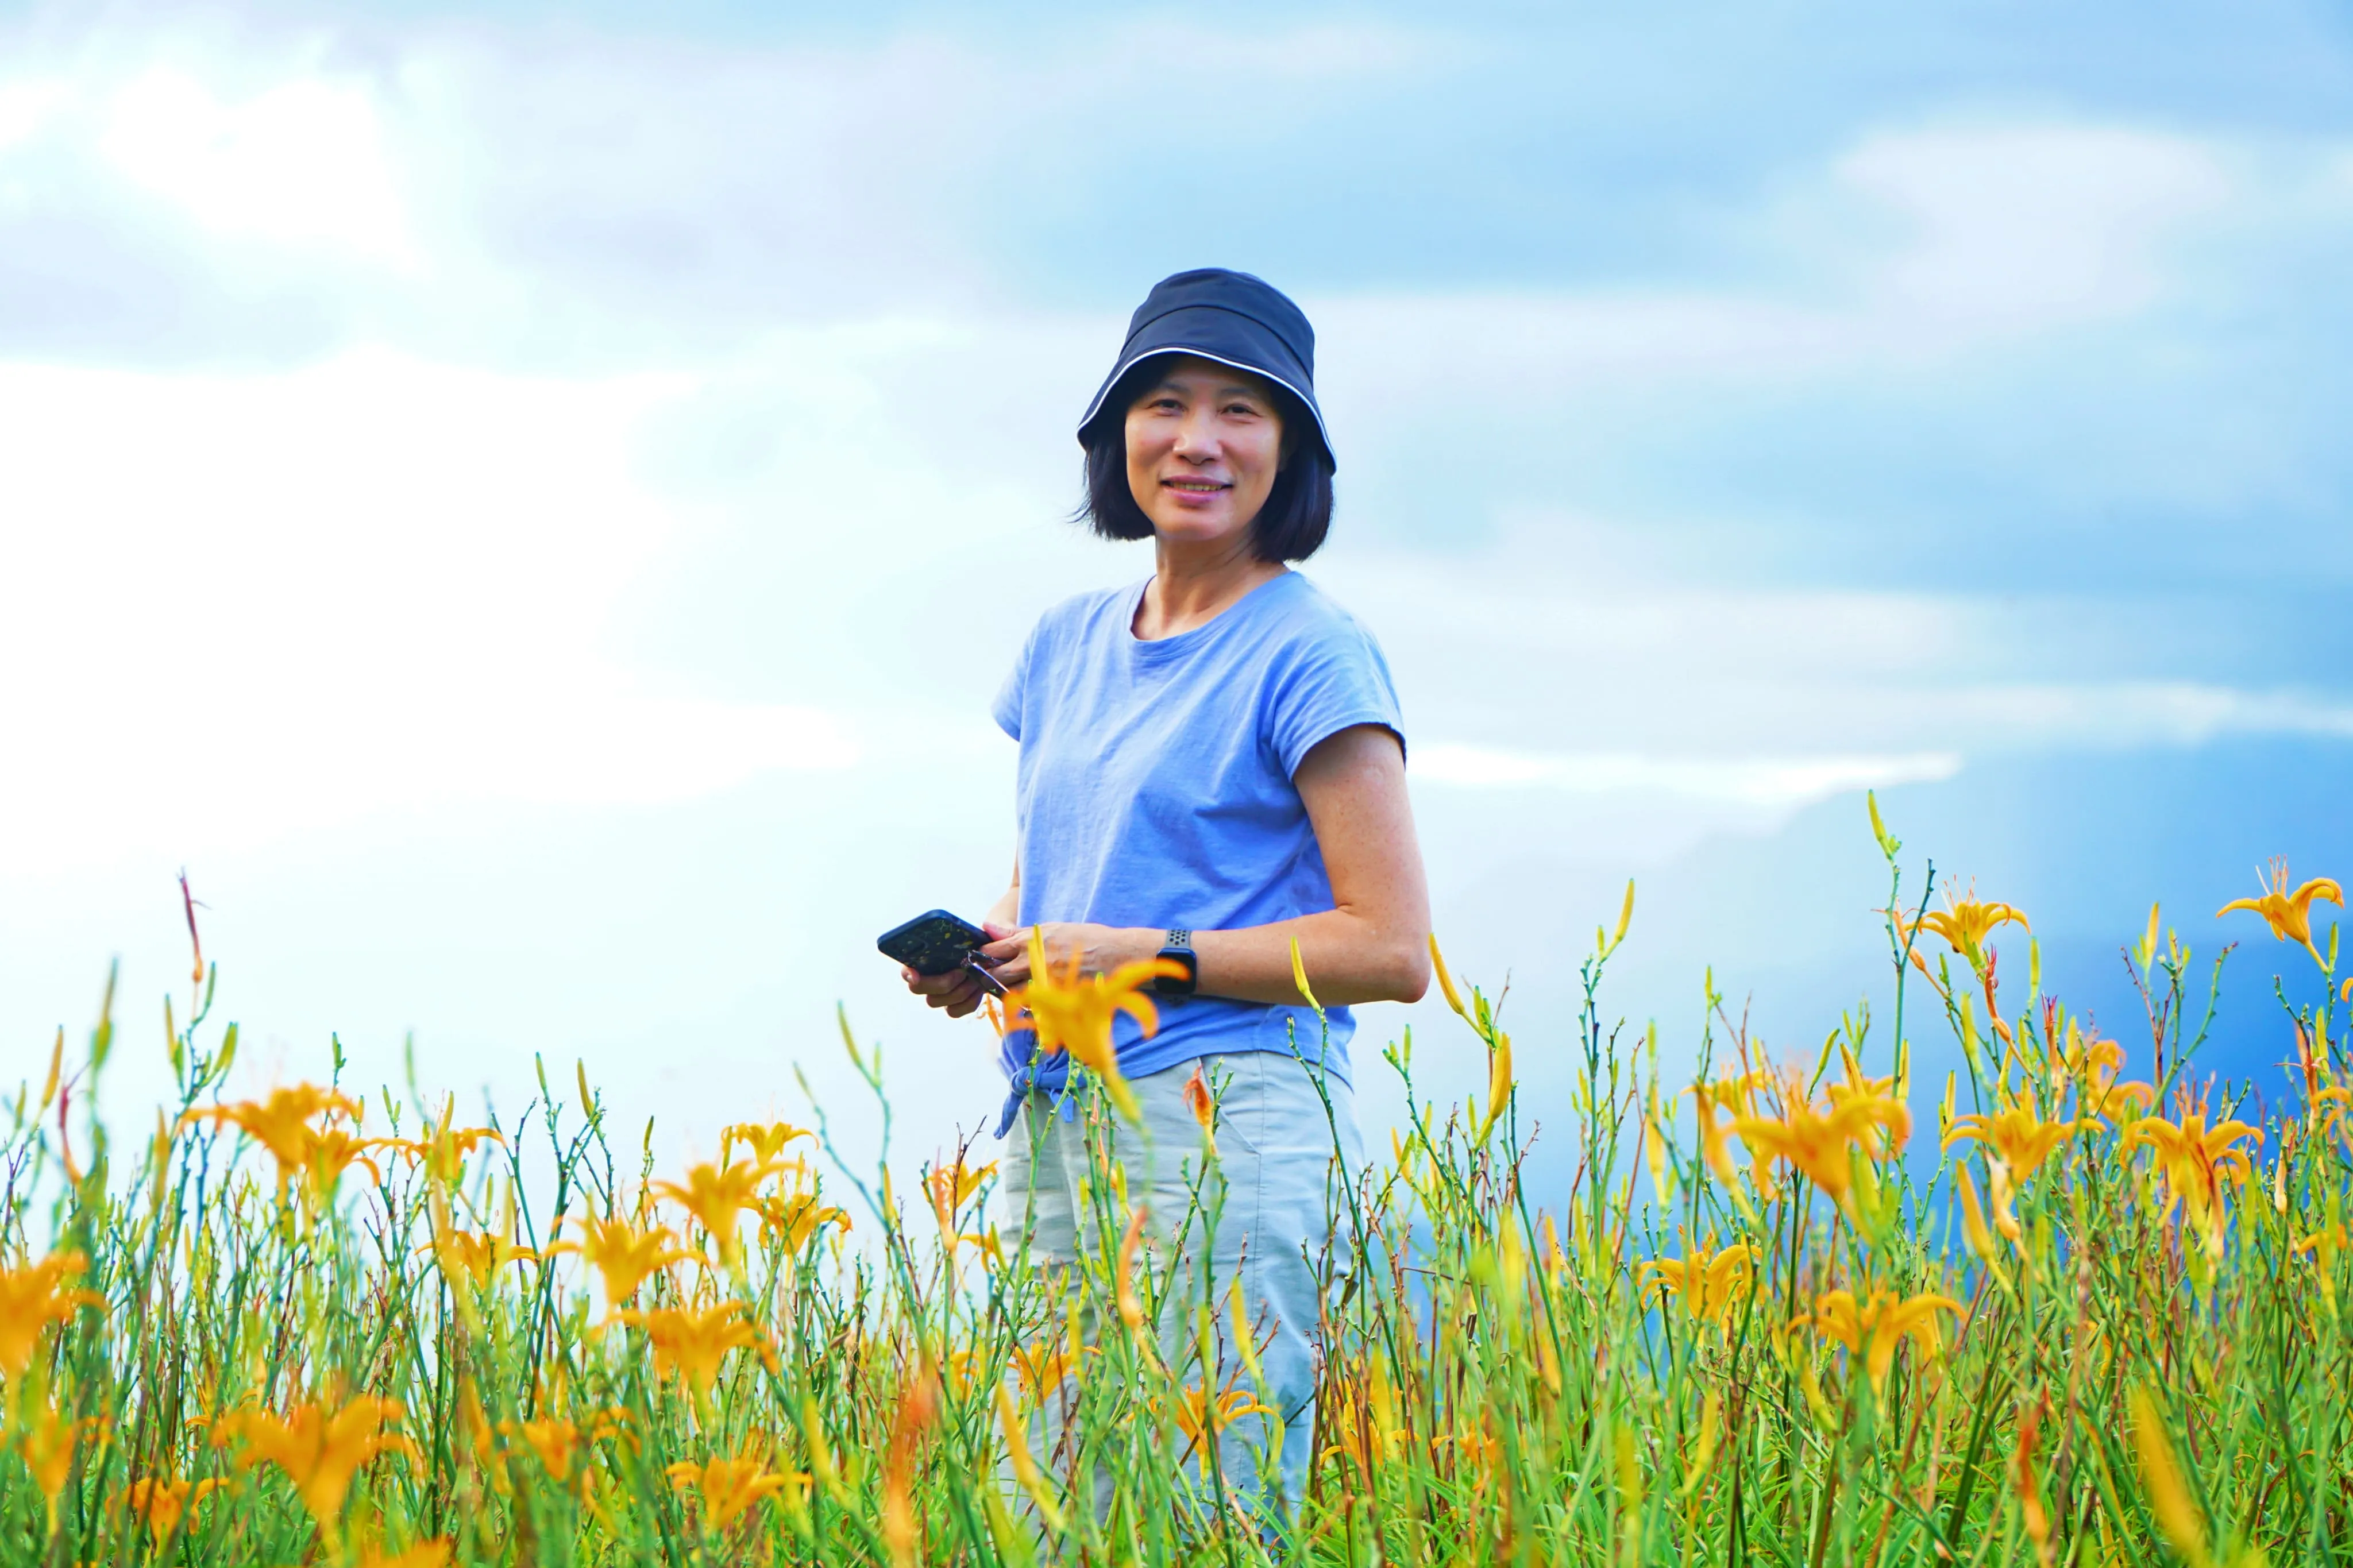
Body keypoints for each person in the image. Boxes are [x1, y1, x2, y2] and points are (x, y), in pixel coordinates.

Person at [899, 267, 1430, 1519]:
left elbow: (1389, 947)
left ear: (1290, 450)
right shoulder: (1062, 642)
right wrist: (987, 960)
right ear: (1115, 435)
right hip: (1058, 1117)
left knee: (1211, 1509)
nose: (1197, 440)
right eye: (1165, 405)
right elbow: (1053, 877)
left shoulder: (1310, 650)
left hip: (1229, 1118)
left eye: (1242, 411)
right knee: (1045, 1508)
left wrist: (1142, 954)